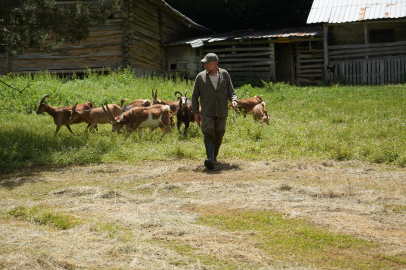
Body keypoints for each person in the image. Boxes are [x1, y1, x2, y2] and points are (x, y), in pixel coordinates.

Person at [192, 53, 238, 169]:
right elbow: (194, 96)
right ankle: (210, 159)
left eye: (207, 62)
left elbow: (231, 92)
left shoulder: (225, 75)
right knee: (208, 132)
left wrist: (234, 100)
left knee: (219, 133)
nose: (205, 65)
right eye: (204, 63)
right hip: (207, 111)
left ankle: (214, 157)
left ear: (215, 63)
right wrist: (196, 112)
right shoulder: (200, 77)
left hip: (221, 111)